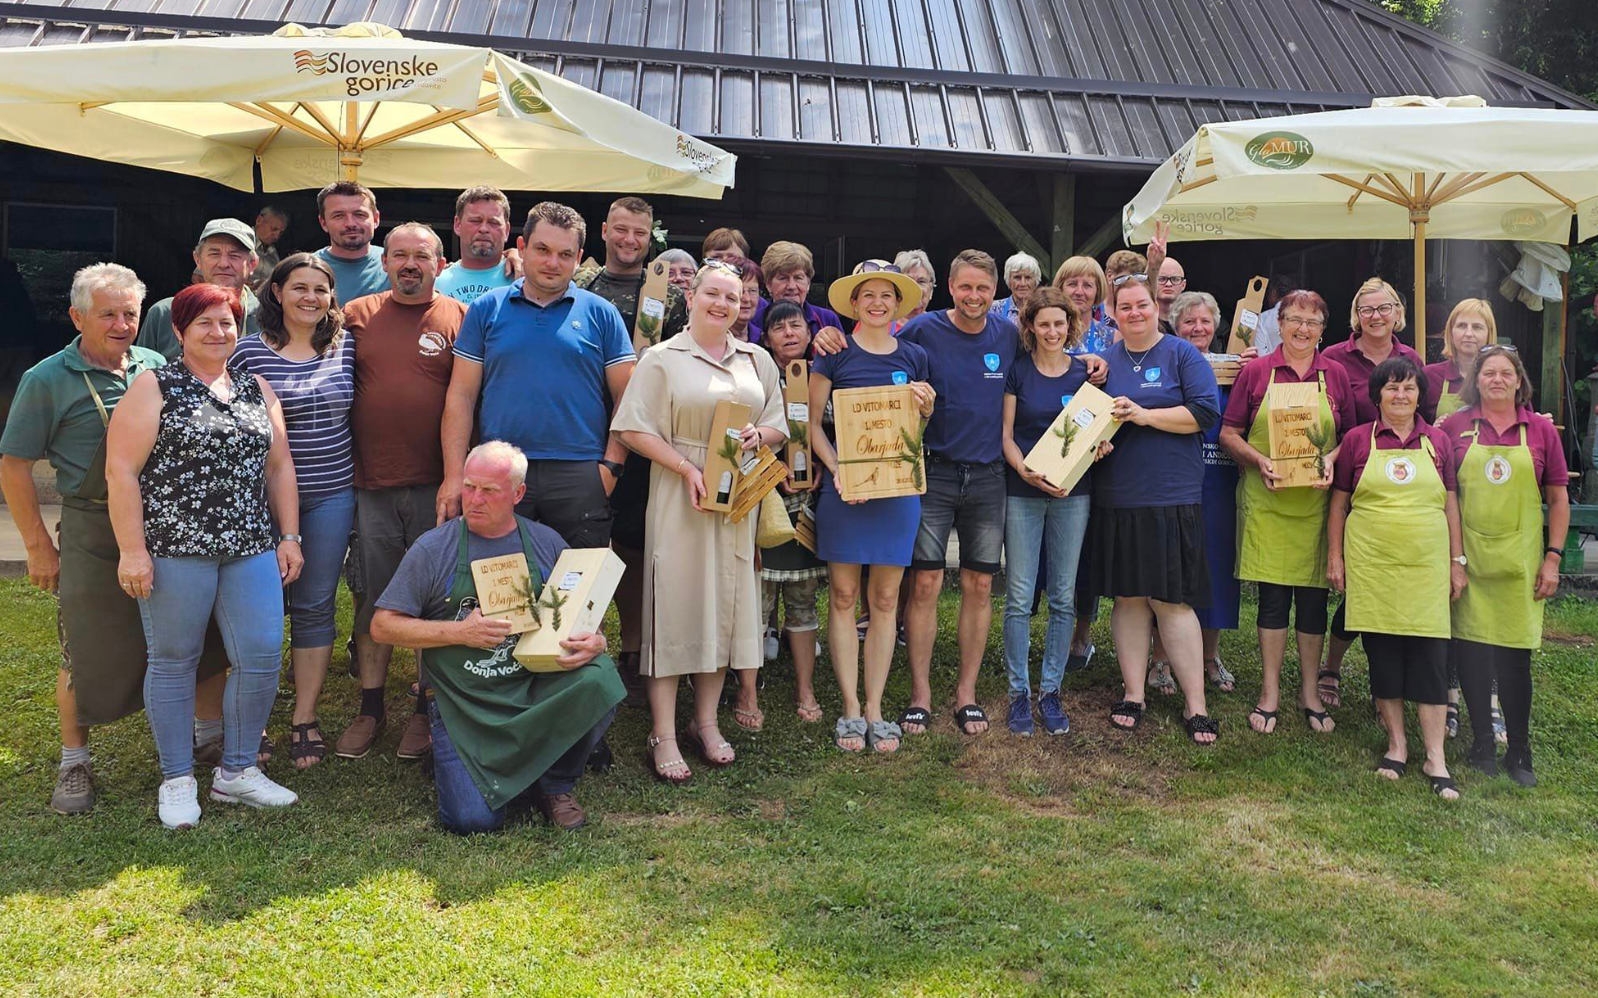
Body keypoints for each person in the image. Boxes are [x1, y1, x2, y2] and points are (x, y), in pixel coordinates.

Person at [0, 263, 226, 814]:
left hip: (171, 523)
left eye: (130, 313)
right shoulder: (46, 379)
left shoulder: (154, 365)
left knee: (201, 632)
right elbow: (13, 465)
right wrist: (37, 546)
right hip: (93, 526)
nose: (123, 324)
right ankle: (75, 761)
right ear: (77, 317)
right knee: (87, 642)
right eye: (108, 314)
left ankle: (206, 734)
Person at [105, 283, 305, 829]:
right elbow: (120, 472)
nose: (219, 333)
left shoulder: (256, 386)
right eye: (206, 324)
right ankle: (176, 778)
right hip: (176, 549)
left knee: (262, 655)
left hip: (249, 548)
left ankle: (237, 772)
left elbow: (279, 466)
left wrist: (290, 536)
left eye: (228, 322)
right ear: (179, 331)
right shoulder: (155, 386)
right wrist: (132, 551)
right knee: (174, 660)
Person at [370, 442, 624, 832]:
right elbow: (383, 625)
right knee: (473, 821)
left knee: (599, 676)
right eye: (470, 487)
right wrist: (460, 632)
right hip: (462, 702)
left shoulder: (545, 542)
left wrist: (598, 641)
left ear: (518, 494)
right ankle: (460, 758)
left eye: (489, 491)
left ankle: (554, 784)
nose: (474, 499)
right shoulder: (434, 548)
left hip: (531, 688)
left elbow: (577, 617)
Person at [612, 260, 787, 780]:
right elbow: (631, 429)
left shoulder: (756, 360)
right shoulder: (663, 358)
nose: (721, 305)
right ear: (691, 298)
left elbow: (779, 422)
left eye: (731, 298)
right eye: (712, 294)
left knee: (725, 605)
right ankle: (663, 732)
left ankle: (705, 723)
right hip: (680, 495)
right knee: (674, 605)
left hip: (736, 500)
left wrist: (762, 437)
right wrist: (686, 466)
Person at [338, 222, 468, 762]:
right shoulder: (354, 317)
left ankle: (425, 709)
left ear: (441, 263)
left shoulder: (462, 317)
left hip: (437, 488)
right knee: (374, 594)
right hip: (370, 484)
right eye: (400, 255)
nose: (410, 264)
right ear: (384, 262)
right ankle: (371, 707)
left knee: (434, 599)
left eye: (422, 255)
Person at [441, 202, 635, 548]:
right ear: (521, 247)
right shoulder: (487, 308)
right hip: (500, 472)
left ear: (578, 259)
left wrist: (611, 467)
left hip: (580, 473)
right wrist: (456, 476)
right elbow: (461, 395)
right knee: (500, 592)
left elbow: (628, 397)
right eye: (542, 250)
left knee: (575, 595)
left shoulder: (602, 314)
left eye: (565, 254)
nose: (552, 263)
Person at [231, 253, 355, 768]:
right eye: (298, 287)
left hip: (331, 495)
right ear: (276, 293)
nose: (310, 297)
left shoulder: (345, 348)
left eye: (320, 289)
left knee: (315, 606)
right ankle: (254, 720)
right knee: (259, 611)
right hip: (259, 502)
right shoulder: (244, 354)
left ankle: (305, 716)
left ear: (331, 298)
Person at [1328, 356, 1465, 800]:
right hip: (1374, 565)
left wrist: (1456, 560)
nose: (1401, 395)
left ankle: (1435, 757)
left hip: (1426, 566)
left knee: (1430, 659)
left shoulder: (1438, 442)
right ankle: (1397, 746)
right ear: (1377, 396)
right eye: (1391, 388)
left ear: (1420, 395)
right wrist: (1336, 557)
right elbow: (1338, 504)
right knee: (1383, 656)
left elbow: (1449, 504)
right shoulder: (1355, 441)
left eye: (1408, 388)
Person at [1219, 290, 1356, 734]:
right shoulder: (1257, 372)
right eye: (1294, 320)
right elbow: (1230, 432)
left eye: (1312, 323)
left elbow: (1351, 439)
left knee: (1313, 602)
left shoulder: (1333, 375)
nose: (1302, 329)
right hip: (1268, 500)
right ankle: (1270, 691)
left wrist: (1332, 459)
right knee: (1274, 601)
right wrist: (1258, 461)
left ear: (1323, 330)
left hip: (1317, 506)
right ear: (1280, 324)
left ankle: (1311, 692)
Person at [1092, 276, 1221, 745]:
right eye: (1124, 307)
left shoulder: (1182, 355)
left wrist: (1144, 415)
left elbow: (1206, 414)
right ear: (1113, 312)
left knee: (1172, 600)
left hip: (1171, 494)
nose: (1134, 313)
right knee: (1128, 597)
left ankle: (1196, 704)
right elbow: (1086, 421)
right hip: (1119, 493)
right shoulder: (1102, 364)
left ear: (1155, 307)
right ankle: (1133, 693)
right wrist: (1095, 446)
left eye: (1141, 305)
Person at [810, 262, 933, 753]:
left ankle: (877, 707)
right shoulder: (834, 354)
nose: (878, 302)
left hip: (897, 494)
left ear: (899, 304)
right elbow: (813, 425)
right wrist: (839, 469)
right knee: (842, 597)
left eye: (888, 295)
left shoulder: (917, 356)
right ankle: (849, 708)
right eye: (869, 295)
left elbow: (916, 432)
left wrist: (926, 408)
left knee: (885, 601)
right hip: (846, 489)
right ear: (854, 303)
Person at [896, 250, 1017, 737]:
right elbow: (879, 351)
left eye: (983, 289)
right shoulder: (923, 330)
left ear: (994, 291)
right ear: (949, 285)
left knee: (980, 585)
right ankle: (921, 694)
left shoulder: (1007, 335)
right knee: (924, 584)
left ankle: (966, 694)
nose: (974, 297)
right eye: (965, 287)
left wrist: (1087, 361)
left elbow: (1051, 364)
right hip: (935, 474)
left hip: (989, 476)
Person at [1440, 345, 1570, 786]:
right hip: (1470, 559)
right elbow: (1447, 497)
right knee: (1473, 654)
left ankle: (1519, 749)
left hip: (1521, 563)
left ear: (1519, 381)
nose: (1497, 379)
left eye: (1506, 373)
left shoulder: (1540, 431)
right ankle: (1481, 743)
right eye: (1488, 373)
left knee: (1515, 661)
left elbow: (1557, 498)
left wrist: (1552, 558)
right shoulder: (1455, 427)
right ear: (1475, 380)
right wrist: (1455, 560)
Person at [576, 196, 689, 697]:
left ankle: (638, 649)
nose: (629, 241)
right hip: (585, 434)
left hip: (648, 442)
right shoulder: (580, 287)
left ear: (651, 238)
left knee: (643, 547)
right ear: (604, 230)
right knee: (594, 546)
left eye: (639, 233)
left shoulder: (669, 296)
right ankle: (588, 642)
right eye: (620, 230)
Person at [1318, 277, 1435, 705]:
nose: (1376, 316)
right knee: (1360, 581)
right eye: (1367, 310)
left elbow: (1426, 417)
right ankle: (1332, 667)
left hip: (1402, 482)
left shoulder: (1411, 359)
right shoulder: (1333, 357)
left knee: (1395, 581)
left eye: (1384, 308)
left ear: (1397, 313)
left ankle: (1388, 678)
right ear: (1356, 316)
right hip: (1352, 478)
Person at [999, 287, 1100, 736]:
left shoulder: (1087, 374)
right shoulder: (1017, 371)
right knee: (1020, 597)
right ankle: (1019, 692)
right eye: (1044, 324)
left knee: (1063, 594)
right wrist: (1026, 473)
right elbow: (1006, 436)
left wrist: (1101, 445)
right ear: (1031, 327)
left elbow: (1098, 428)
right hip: (1022, 491)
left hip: (1073, 494)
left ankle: (1051, 690)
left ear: (1071, 325)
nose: (1053, 331)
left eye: (1060, 323)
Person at [1165, 291, 1258, 695]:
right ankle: (1161, 659)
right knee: (1170, 572)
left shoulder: (1235, 368)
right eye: (1189, 322)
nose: (1198, 328)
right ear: (1174, 326)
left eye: (1205, 322)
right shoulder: (1165, 363)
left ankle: (1209, 656)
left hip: (1221, 483)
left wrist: (1257, 370)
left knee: (1218, 570)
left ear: (1217, 326)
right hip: (1173, 482)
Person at [758, 300, 828, 725]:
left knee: (802, 600)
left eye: (795, 325)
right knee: (757, 599)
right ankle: (749, 688)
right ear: (767, 338)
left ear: (808, 331)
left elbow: (831, 427)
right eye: (779, 327)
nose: (788, 333)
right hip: (763, 500)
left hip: (808, 501)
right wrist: (773, 468)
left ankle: (805, 689)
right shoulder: (753, 374)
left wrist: (818, 461)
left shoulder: (823, 375)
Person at [1048, 254, 1117, 667]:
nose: (1079, 291)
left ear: (1098, 291)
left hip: (1098, 454)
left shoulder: (1112, 336)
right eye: (1072, 283)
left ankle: (1081, 635)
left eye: (1087, 285)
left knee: (1087, 550)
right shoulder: (1047, 328)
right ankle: (1050, 627)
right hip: (1047, 450)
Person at [137, 218, 263, 359]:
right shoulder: (164, 313)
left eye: (234, 255)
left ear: (252, 263)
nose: (223, 263)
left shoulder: (268, 316)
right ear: (197, 260)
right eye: (214, 254)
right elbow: (142, 369)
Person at [435, 186, 517, 306]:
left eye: (493, 222)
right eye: (475, 221)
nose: (484, 229)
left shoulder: (523, 278)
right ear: (457, 225)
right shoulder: (435, 282)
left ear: (507, 230)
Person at [313, 181, 390, 304]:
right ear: (323, 223)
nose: (350, 224)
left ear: (376, 219)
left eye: (359, 214)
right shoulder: (306, 269)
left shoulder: (397, 265)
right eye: (339, 216)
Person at [1425, 298, 1497, 420]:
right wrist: (1432, 431)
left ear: (1489, 333)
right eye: (1462, 326)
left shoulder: (1503, 377)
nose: (1468, 333)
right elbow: (1412, 426)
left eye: (1477, 327)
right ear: (1451, 332)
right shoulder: (1429, 376)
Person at [758, 241, 843, 336]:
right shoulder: (755, 320)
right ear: (768, 284)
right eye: (783, 278)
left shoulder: (827, 319)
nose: (791, 286)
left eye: (798, 278)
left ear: (808, 283)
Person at [990, 251, 1042, 326]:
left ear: (1036, 281)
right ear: (1008, 280)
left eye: (1028, 278)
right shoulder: (993, 309)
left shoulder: (1043, 309)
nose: (1022, 283)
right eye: (1017, 277)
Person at [246, 206, 289, 294]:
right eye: (274, 229)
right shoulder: (242, 242)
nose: (277, 236)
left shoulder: (274, 252)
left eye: (281, 232)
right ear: (259, 220)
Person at [896, 249, 937, 321]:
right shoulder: (880, 327)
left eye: (921, 281)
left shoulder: (937, 328)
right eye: (908, 281)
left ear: (931, 290)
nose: (915, 288)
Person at [731, 258, 764, 342]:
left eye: (753, 291)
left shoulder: (763, 338)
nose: (747, 299)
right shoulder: (709, 337)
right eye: (740, 291)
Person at [1155, 256, 1187, 326]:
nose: (1168, 284)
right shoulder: (1145, 321)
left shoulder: (1192, 322)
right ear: (1152, 282)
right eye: (1161, 279)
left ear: (1183, 285)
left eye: (1175, 279)